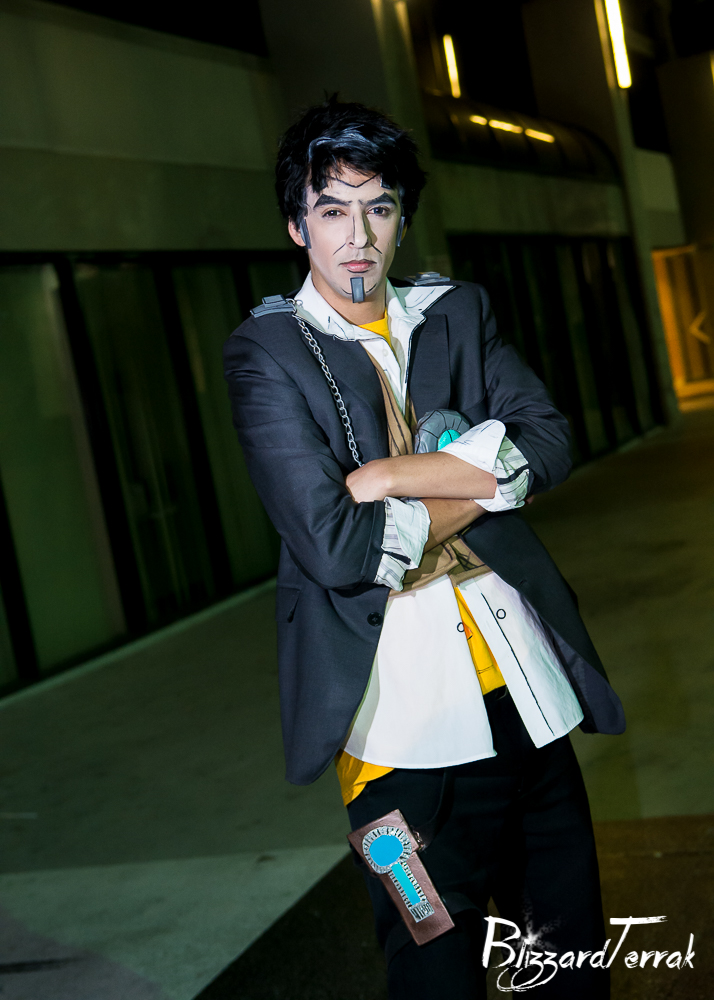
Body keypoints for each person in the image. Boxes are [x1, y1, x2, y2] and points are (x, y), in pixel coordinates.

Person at [223, 98, 625, 999]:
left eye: (379, 206)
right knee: (432, 970)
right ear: (297, 225)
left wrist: (386, 477)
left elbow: (548, 442)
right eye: (332, 209)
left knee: (569, 971)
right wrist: (475, 476)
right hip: (396, 750)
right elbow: (336, 547)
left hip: (527, 711)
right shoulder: (266, 354)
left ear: (403, 217)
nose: (358, 236)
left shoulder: (455, 312)